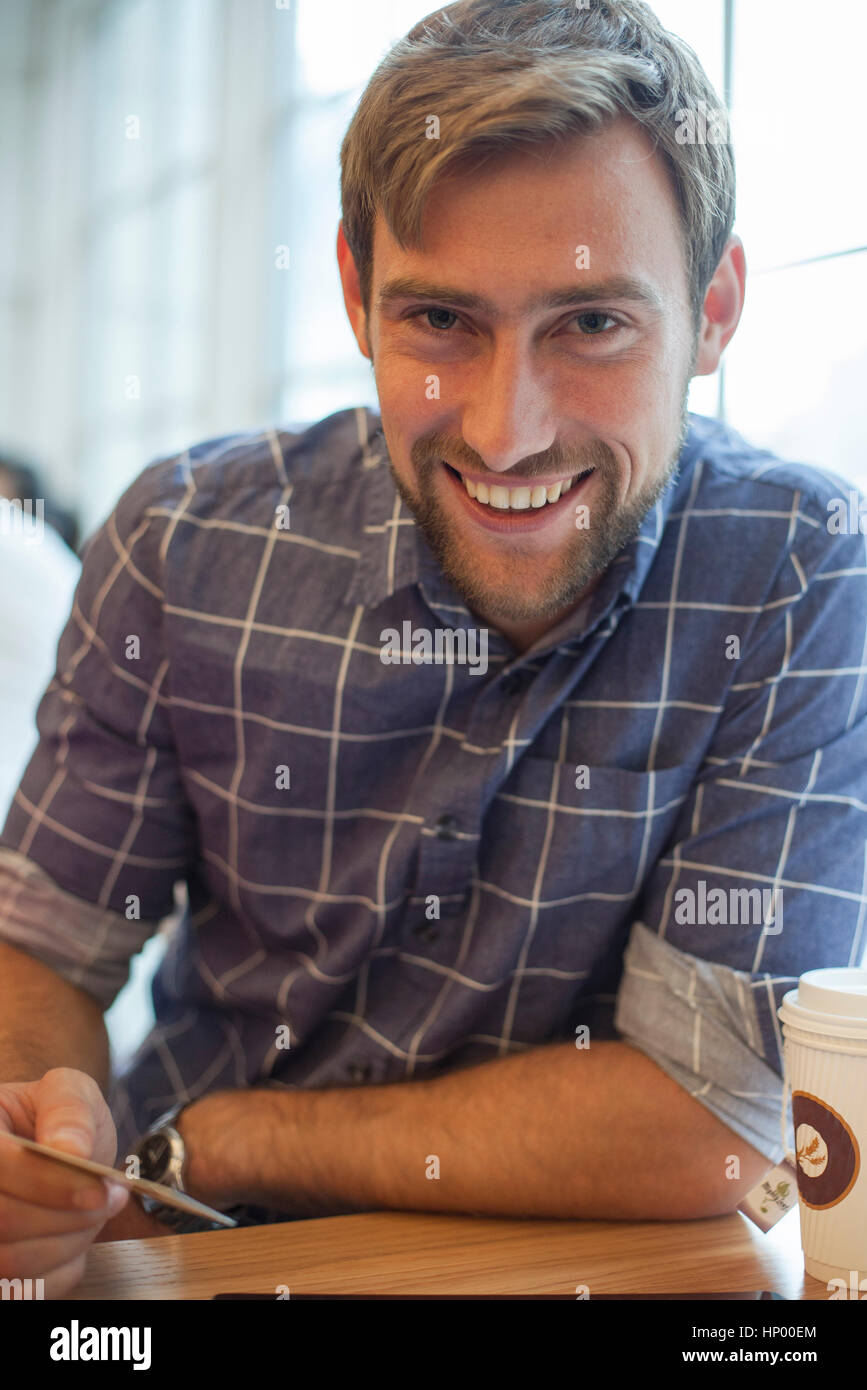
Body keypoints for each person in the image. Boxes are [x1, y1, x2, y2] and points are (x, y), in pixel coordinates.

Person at [1, 0, 865, 1298]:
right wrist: (42, 1126)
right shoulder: (182, 542)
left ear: (715, 307)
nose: (506, 433)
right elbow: (48, 956)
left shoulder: (797, 571)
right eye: (442, 323)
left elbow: (708, 1120)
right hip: (174, 1257)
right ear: (356, 294)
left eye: (591, 324)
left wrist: (235, 1132)